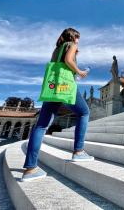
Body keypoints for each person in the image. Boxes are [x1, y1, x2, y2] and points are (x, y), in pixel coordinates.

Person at [22, 28, 94, 182]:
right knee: (84, 113)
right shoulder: (71, 45)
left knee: (41, 126)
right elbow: (68, 61)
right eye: (78, 37)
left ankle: (30, 168)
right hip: (64, 86)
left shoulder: (56, 50)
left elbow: (60, 64)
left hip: (53, 87)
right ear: (73, 37)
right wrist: (80, 72)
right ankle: (79, 151)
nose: (78, 41)